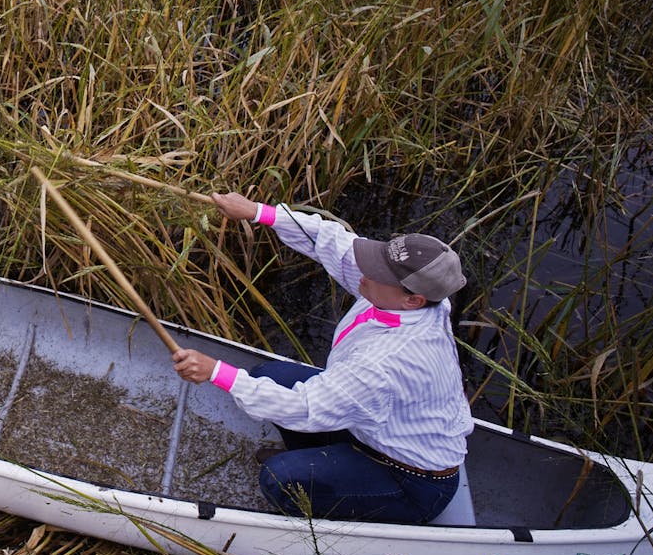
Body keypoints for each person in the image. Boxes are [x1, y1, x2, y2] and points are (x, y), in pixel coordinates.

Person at [172, 192, 472, 524]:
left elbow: (303, 407)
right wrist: (258, 212)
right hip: (375, 433)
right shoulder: (423, 300)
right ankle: (317, 463)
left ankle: (330, 511)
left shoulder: (385, 362)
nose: (365, 272)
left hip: (412, 482)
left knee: (278, 480)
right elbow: (339, 245)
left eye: (378, 274)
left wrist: (216, 371)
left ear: (413, 300)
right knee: (266, 376)